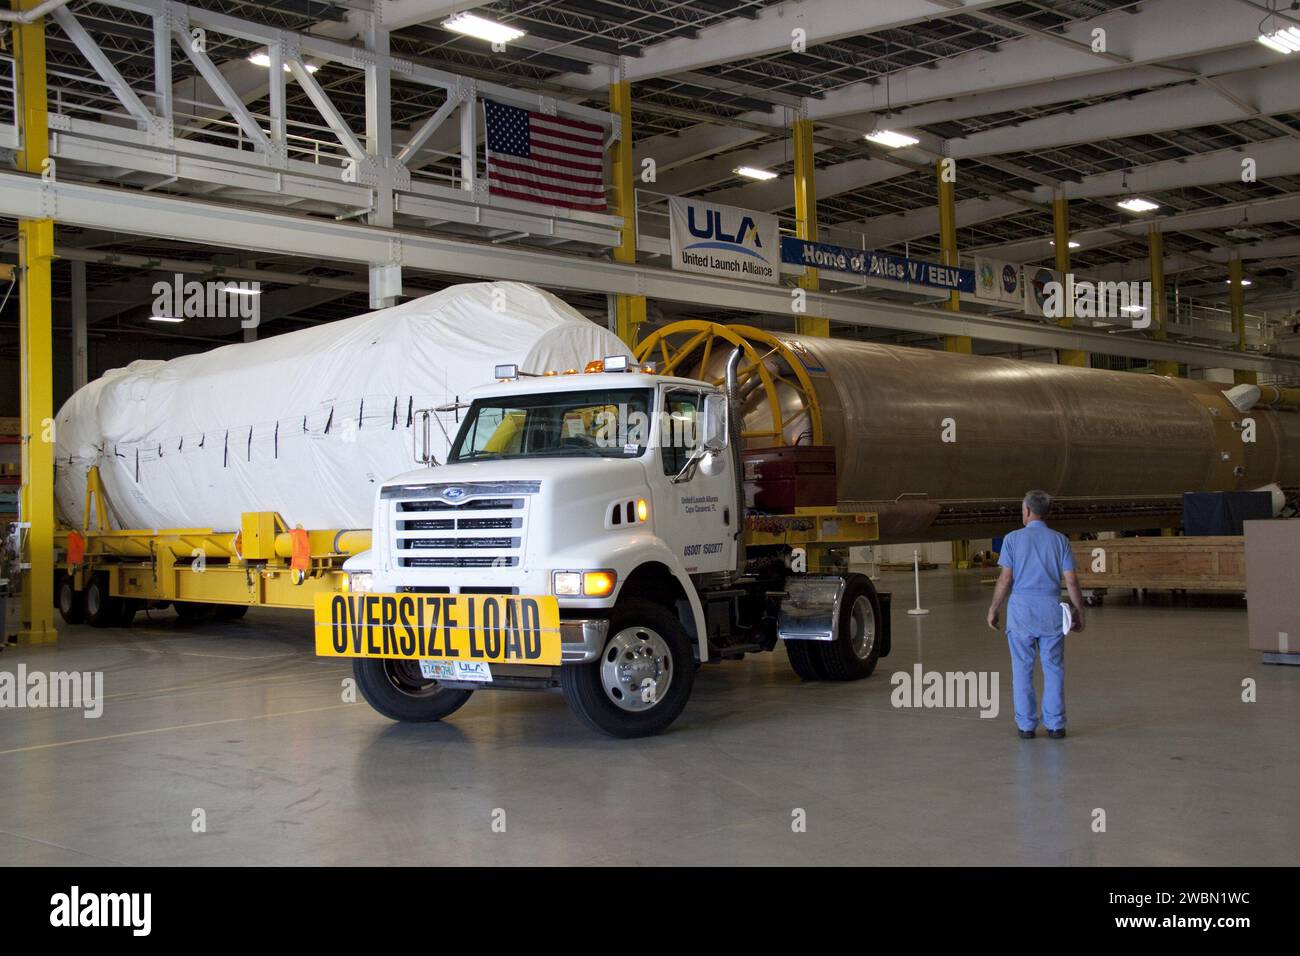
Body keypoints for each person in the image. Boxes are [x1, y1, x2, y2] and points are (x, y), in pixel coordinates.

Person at [986, 490, 1086, 739]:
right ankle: (1055, 725)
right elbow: (1071, 581)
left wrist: (993, 608)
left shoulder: (1012, 539)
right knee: (1053, 669)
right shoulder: (1060, 540)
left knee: (1022, 670)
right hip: (1051, 612)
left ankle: (1026, 725)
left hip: (1021, 613)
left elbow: (1005, 579)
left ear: (1028, 511)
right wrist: (1078, 610)